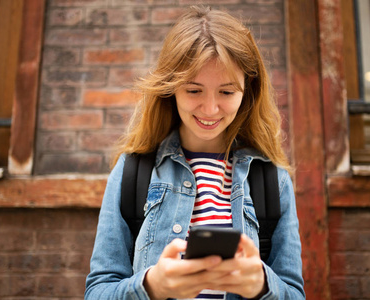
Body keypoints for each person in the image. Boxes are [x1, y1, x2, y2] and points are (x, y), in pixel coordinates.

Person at [85, 5, 305, 300]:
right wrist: (152, 286)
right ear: (170, 88)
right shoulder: (132, 172)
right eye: (193, 90)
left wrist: (262, 285)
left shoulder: (272, 179)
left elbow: (295, 293)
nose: (210, 109)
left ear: (247, 91)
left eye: (226, 92)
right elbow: (98, 291)